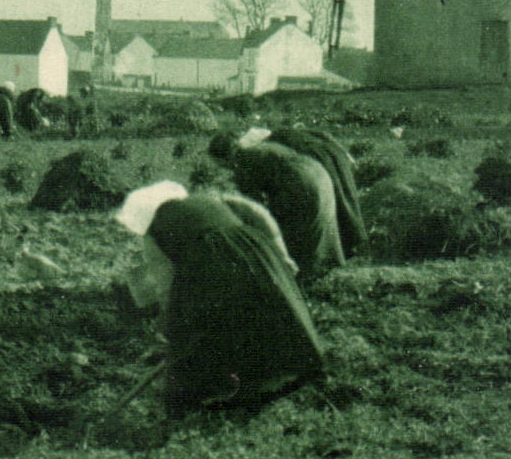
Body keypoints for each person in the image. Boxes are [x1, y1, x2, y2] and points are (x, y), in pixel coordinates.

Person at [115, 182, 323, 418]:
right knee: (262, 311)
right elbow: (259, 215)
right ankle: (285, 374)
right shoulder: (210, 200)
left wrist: (170, 321)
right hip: (253, 250)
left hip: (212, 264)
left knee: (200, 331)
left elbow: (166, 286)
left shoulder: (154, 234)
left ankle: (205, 397)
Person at [207, 130, 345, 277]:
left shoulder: (242, 162)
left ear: (224, 157)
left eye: (220, 164)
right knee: (318, 227)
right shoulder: (259, 148)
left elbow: (255, 207)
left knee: (293, 231)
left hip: (299, 181)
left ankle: (302, 277)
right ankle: (326, 273)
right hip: (319, 173)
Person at [260, 127, 366, 260]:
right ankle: (353, 242)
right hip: (333, 155)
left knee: (335, 200)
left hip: (317, 159)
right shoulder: (300, 132)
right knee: (343, 199)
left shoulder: (273, 141)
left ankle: (348, 244)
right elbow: (326, 136)